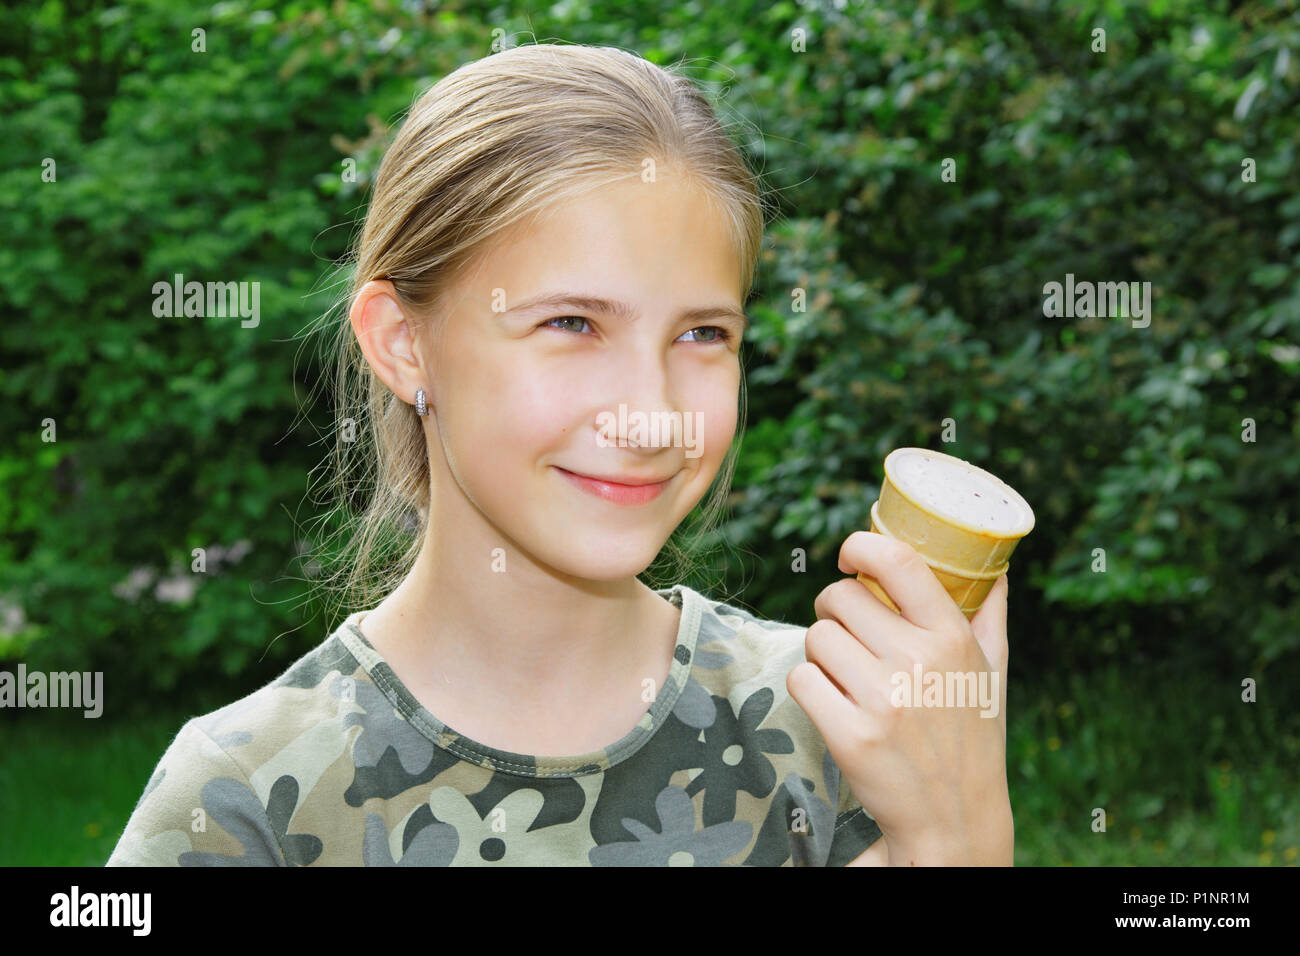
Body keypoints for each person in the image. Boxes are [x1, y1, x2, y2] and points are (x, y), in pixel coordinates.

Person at [107, 42, 1012, 867]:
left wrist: (955, 832)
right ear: (402, 343)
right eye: (572, 323)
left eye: (702, 333)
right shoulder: (242, 807)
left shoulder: (838, 735)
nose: (653, 416)